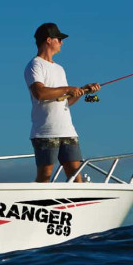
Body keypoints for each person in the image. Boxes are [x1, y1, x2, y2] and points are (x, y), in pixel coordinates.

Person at [23, 23, 101, 183]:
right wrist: (68, 89)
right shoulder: (34, 65)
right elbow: (40, 93)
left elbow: (66, 101)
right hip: (45, 132)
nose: (62, 42)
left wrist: (82, 91)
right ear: (49, 40)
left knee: (76, 177)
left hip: (68, 130)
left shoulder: (60, 69)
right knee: (44, 177)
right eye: (59, 39)